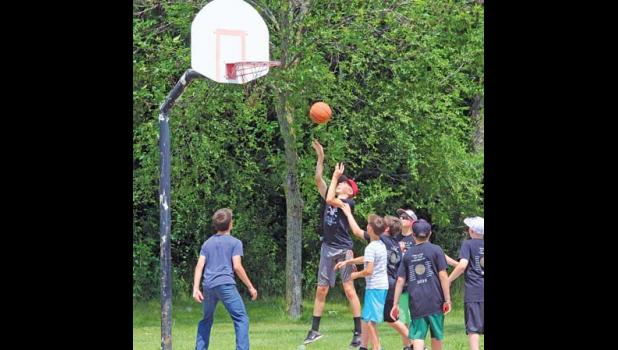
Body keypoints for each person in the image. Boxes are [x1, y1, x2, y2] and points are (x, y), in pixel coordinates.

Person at [304, 140, 363, 347]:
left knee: (349, 289)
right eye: (339, 181)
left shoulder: (347, 202)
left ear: (349, 190)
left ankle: (358, 332)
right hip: (327, 248)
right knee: (321, 289)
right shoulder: (331, 194)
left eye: (343, 183)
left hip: (344, 249)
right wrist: (321, 158)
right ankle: (314, 331)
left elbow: (330, 200)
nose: (339, 183)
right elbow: (318, 179)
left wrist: (337, 175)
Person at [340, 206, 414, 350]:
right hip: (391, 283)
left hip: (382, 285)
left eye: (383, 224)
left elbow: (356, 232)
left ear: (385, 230)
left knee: (386, 318)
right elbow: (368, 258)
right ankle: (364, 346)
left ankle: (414, 343)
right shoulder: (394, 244)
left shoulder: (382, 241)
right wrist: (350, 261)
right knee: (368, 316)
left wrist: (348, 213)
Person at [192, 208, 258, 350]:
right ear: (231, 224)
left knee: (206, 320)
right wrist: (250, 287)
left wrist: (196, 288)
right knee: (241, 319)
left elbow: (199, 266)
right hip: (225, 284)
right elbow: (237, 267)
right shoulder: (235, 243)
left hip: (208, 286)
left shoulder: (207, 243)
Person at [391, 219, 452, 350]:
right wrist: (447, 300)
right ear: (430, 234)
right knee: (436, 336)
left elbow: (400, 280)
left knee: (418, 336)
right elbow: (443, 275)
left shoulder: (408, 254)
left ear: (413, 235)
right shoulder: (436, 250)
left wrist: (395, 304)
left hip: (417, 301)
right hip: (435, 300)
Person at [396, 208, 458, 328]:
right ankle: (409, 346)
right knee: (404, 318)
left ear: (413, 222)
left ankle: (417, 344)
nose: (401, 219)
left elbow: (439, 255)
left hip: (418, 284)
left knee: (418, 318)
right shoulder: (396, 239)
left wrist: (458, 264)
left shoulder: (417, 238)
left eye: (404, 217)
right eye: (400, 217)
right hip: (403, 282)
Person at [335, 214, 388, 350]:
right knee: (367, 319)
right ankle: (367, 347)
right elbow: (367, 258)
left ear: (370, 229)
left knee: (370, 322)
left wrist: (354, 275)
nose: (367, 225)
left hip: (375, 287)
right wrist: (348, 261)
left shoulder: (371, 247)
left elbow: (368, 270)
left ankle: (377, 347)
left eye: (368, 224)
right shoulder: (379, 244)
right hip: (380, 287)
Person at [448, 216, 484, 350]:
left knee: (473, 329)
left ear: (473, 231)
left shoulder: (468, 244)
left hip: (474, 292)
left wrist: (449, 279)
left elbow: (462, 265)